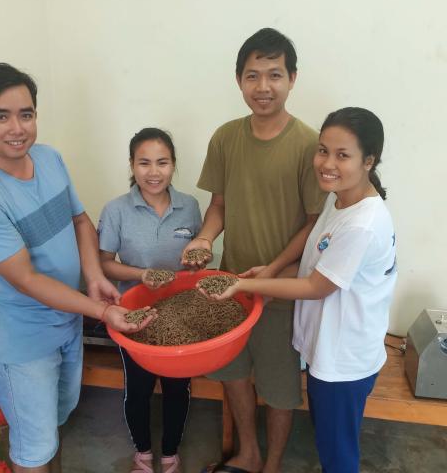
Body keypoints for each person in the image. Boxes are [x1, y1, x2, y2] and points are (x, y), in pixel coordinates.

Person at [0, 63, 155, 473]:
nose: (17, 128)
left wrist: (94, 277)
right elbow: (27, 279)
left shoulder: (49, 159)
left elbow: (81, 221)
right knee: (33, 449)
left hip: (70, 321)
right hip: (26, 339)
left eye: (26, 114)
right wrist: (104, 311)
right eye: (1, 115)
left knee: (55, 424)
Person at [200, 107, 398, 473]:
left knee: (338, 455)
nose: (327, 163)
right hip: (328, 353)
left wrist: (242, 284)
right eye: (323, 150)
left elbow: (315, 286)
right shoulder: (338, 201)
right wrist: (267, 275)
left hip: (345, 361)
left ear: (369, 160)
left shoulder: (363, 223)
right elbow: (313, 265)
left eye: (343, 155)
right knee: (328, 442)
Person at [183, 28, 327, 473]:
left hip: (283, 290)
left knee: (282, 386)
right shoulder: (226, 138)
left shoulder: (309, 145)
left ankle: (274, 464)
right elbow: (219, 206)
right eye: (252, 76)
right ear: (239, 80)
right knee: (234, 375)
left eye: (274, 75)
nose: (263, 87)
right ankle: (248, 452)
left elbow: (313, 222)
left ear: (293, 78)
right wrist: (205, 238)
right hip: (230, 286)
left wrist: (275, 268)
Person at [97, 127, 202, 473]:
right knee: (138, 389)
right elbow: (104, 262)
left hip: (181, 316)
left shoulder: (190, 206)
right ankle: (143, 453)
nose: (153, 172)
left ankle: (170, 453)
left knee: (177, 387)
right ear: (131, 164)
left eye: (162, 162)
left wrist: (196, 262)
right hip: (133, 315)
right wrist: (142, 274)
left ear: (174, 165)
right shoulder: (116, 210)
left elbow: (197, 257)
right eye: (144, 163)